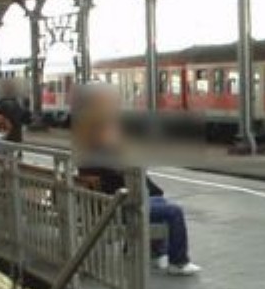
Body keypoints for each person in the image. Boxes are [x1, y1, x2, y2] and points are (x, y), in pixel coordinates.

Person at [70, 84, 200, 276]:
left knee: (159, 201)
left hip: (103, 204)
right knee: (174, 212)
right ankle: (179, 262)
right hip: (116, 207)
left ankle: (155, 252)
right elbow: (125, 173)